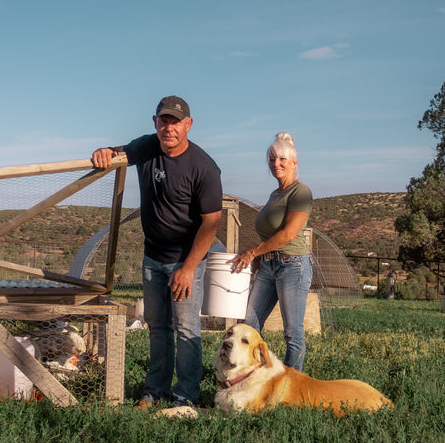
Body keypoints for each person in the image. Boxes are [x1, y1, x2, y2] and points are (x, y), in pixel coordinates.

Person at [92, 96, 223, 408]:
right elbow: (118, 152)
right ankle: (155, 391)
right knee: (158, 327)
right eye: (164, 121)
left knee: (187, 329)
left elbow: (212, 223)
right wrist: (104, 151)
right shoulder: (147, 146)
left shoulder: (204, 168)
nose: (169, 128)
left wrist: (189, 268)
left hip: (186, 261)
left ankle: (186, 396)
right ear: (155, 122)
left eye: (175, 122)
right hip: (153, 259)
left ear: (188, 125)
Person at [230, 132, 314, 371]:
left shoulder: (301, 192)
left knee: (292, 332)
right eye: (271, 160)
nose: (276, 164)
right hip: (268, 266)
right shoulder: (274, 195)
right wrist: (258, 260)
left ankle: (290, 387)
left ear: (294, 163)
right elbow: (268, 234)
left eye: (281, 159)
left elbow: (287, 234)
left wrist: (252, 252)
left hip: (293, 266)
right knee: (249, 324)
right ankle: (249, 376)